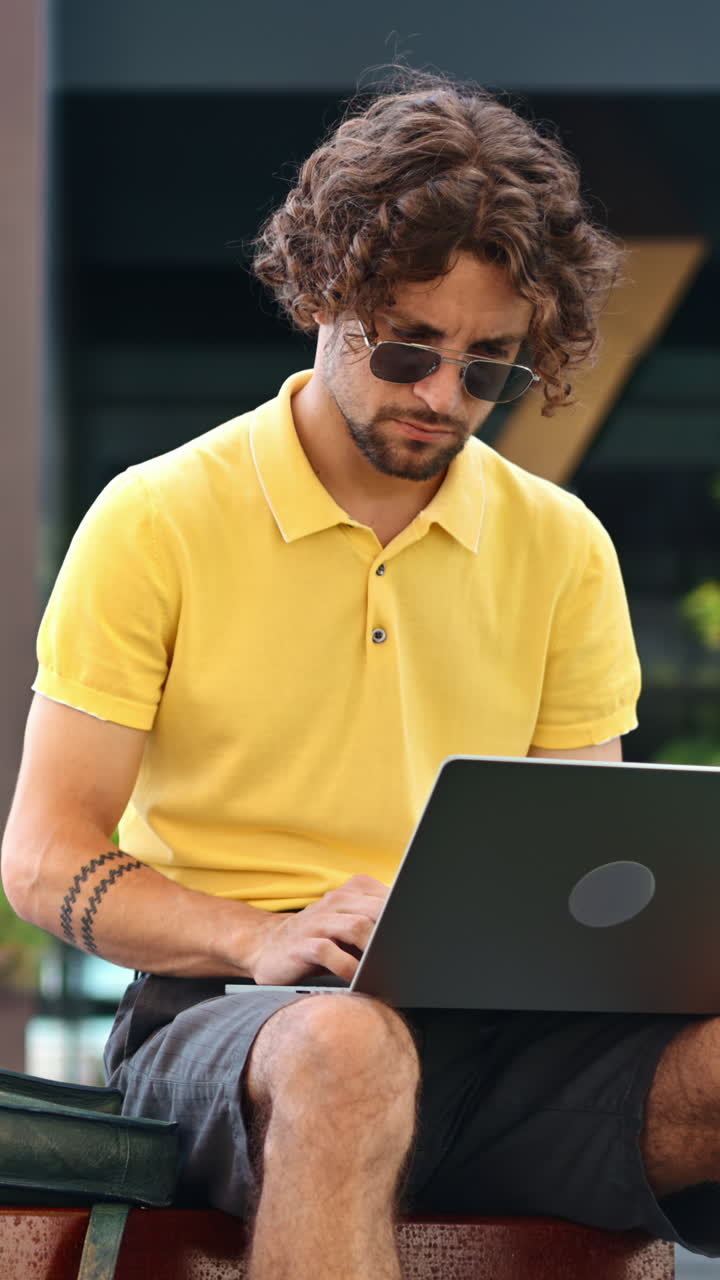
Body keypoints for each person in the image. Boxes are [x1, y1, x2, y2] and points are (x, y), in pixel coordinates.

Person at [2, 69, 719, 1278]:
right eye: (407, 350)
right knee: (347, 1050)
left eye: (490, 366)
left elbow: (576, 867)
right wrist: (259, 937)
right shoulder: (160, 517)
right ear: (321, 297)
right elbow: (41, 857)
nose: (443, 396)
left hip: (497, 1053)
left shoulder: (562, 546)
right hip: (227, 1029)